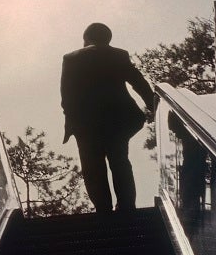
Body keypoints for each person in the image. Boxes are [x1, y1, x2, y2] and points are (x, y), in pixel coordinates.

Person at [61, 23, 157, 214]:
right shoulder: (119, 55)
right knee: (120, 160)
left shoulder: (71, 58)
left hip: (87, 123)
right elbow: (139, 82)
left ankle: (103, 209)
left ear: (86, 38)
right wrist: (153, 107)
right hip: (119, 120)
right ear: (108, 39)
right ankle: (127, 206)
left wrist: (71, 122)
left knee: (92, 165)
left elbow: (67, 95)